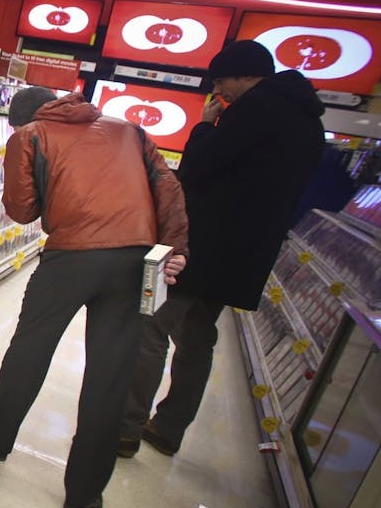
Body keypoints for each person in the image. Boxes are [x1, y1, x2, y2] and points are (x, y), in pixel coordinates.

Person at [0, 86, 189, 508]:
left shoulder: (29, 136)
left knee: (31, 346)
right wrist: (174, 251)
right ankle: (84, 492)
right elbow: (169, 188)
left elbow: (22, 209)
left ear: (23, 119)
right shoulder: (130, 130)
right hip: (135, 259)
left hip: (71, 256)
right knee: (112, 372)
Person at [119, 40, 325, 458]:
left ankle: (125, 427)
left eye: (221, 80)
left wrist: (204, 126)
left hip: (202, 245)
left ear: (247, 74)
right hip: (243, 257)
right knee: (197, 338)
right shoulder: (309, 123)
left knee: (151, 326)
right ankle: (169, 427)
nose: (219, 91)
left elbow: (200, 168)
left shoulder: (257, 109)